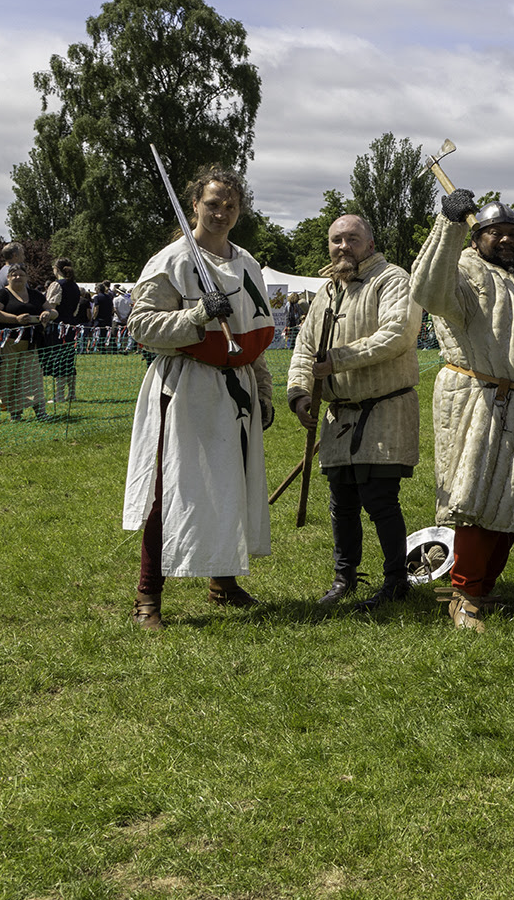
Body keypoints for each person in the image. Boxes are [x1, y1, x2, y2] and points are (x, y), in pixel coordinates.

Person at [411, 193, 514, 632]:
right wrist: (448, 224)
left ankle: (483, 586)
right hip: (482, 401)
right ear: (476, 237)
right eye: (494, 233)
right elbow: (428, 289)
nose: (505, 240)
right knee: (476, 502)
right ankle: (462, 594)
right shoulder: (465, 270)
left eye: (512, 234)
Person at [122, 164, 278, 630]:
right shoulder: (171, 260)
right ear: (195, 205)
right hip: (186, 385)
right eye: (213, 203)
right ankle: (147, 595)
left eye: (230, 205)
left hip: (236, 390)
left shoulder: (247, 264)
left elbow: (253, 336)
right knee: (170, 488)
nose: (221, 212)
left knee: (231, 484)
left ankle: (222, 583)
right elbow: (141, 325)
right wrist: (195, 316)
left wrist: (263, 390)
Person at [288, 215, 423, 609]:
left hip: (385, 409)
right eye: (336, 240)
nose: (343, 246)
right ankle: (344, 577)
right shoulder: (328, 291)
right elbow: (305, 347)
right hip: (339, 415)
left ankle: (396, 580)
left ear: (370, 243)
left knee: (380, 499)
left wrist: (339, 359)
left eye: (352, 239)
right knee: (342, 502)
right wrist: (299, 393)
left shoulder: (392, 279)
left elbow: (398, 333)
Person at [0, 263, 55, 421]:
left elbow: (54, 311)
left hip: (31, 343)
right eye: (14, 274)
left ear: (27, 277)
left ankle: (40, 412)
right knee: (8, 377)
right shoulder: (1, 294)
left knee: (32, 377)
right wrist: (15, 319)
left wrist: (47, 313)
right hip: (8, 343)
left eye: (21, 274)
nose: (17, 277)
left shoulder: (35, 295)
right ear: (8, 277)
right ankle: (15, 413)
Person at [43, 258, 82, 405]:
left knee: (58, 360)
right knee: (69, 359)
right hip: (71, 326)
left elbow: (51, 307)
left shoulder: (57, 285)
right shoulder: (75, 286)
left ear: (56, 269)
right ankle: (71, 393)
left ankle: (59, 395)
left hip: (59, 327)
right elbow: (75, 310)